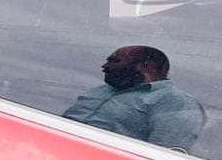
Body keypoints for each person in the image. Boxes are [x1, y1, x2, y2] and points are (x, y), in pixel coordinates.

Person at [62, 44, 205, 151]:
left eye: (114, 61)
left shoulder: (175, 102)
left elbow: (162, 158)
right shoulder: (100, 90)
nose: (104, 66)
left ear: (146, 66)